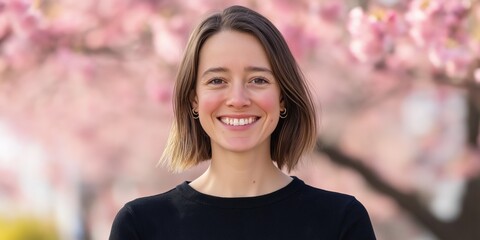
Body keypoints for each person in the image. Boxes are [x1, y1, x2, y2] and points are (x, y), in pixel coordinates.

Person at [109, 5, 376, 240]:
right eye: (217, 81)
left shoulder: (340, 221)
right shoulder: (140, 226)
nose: (238, 99)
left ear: (282, 97)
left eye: (258, 80)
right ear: (194, 100)